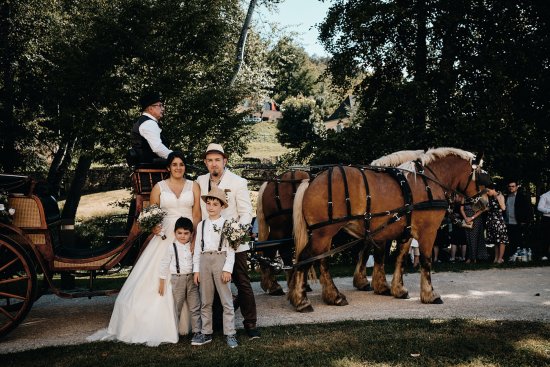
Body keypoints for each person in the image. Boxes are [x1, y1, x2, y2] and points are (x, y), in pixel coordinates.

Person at [88, 151, 201, 346]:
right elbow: (151, 214)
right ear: (168, 168)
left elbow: (197, 214)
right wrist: (154, 227)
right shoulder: (159, 187)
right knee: (157, 275)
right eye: (174, 164)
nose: (178, 168)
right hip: (165, 236)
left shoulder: (194, 186)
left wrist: (194, 239)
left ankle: (191, 325)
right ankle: (156, 324)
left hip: (187, 235)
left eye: (181, 164)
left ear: (185, 167)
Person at [196, 143, 260, 339]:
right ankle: (216, 324)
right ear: (205, 163)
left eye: (218, 160)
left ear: (225, 161)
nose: (214, 164)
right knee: (212, 286)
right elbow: (199, 212)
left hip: (234, 243)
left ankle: (250, 324)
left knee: (242, 282)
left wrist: (236, 233)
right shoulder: (200, 181)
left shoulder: (237, 181)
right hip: (210, 246)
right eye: (210, 160)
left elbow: (246, 213)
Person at [192, 187, 238, 348]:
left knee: (226, 300)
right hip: (204, 261)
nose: (211, 207)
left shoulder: (227, 225)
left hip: (220, 260)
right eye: (209, 203)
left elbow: (231, 249)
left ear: (222, 206)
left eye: (215, 204)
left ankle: (230, 333)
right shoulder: (201, 225)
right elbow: (197, 248)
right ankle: (206, 333)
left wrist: (227, 269)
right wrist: (196, 270)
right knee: (205, 300)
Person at [158, 217, 201, 344]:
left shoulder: (193, 247)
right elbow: (164, 263)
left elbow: (197, 261)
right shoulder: (171, 247)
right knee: (177, 306)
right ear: (175, 233)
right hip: (177, 280)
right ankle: (172, 331)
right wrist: (162, 281)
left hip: (192, 279)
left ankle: (197, 332)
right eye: (180, 233)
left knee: (195, 306)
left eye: (186, 233)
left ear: (191, 234)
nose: (183, 236)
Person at [131, 90, 173, 165]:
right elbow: (157, 148)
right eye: (160, 105)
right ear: (150, 108)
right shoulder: (148, 123)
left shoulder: (144, 121)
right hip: (152, 170)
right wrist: (174, 157)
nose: (163, 109)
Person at [504, 179, 533, 258]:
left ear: (517, 187)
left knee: (519, 239)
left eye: (513, 186)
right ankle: (511, 256)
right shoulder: (506, 197)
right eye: (509, 186)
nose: (511, 188)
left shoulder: (522, 197)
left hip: (519, 222)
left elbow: (528, 209)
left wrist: (525, 221)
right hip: (508, 222)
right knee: (510, 240)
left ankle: (521, 256)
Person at [484, 183, 509, 264]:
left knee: (501, 240)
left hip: (499, 221)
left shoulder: (500, 196)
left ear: (493, 189)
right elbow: (488, 208)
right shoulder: (490, 197)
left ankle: (500, 258)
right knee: (496, 241)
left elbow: (503, 208)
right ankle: (496, 258)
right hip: (491, 221)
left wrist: (498, 199)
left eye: (488, 191)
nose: (487, 193)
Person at [461, 197, 488, 263]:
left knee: (475, 239)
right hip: (467, 221)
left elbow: (481, 210)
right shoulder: (464, 198)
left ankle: (475, 258)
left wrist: (471, 218)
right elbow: (461, 209)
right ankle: (470, 257)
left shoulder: (477, 198)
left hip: (476, 220)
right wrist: (466, 218)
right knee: (468, 239)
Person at [449, 195, 467, 262]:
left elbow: (451, 214)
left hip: (457, 225)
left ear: (460, 197)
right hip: (462, 224)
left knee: (454, 242)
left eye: (456, 196)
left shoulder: (455, 205)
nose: (455, 198)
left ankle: (453, 257)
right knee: (463, 242)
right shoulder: (463, 205)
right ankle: (463, 257)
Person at [537, 189, 550, 260]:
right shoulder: (545, 196)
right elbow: (539, 207)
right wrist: (549, 210)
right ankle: (544, 254)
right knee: (546, 237)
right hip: (547, 219)